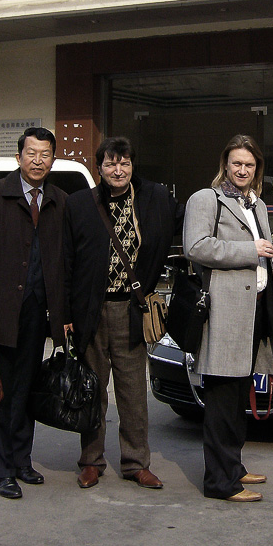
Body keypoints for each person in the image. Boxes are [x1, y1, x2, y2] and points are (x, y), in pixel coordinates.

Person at [64, 136, 181, 490]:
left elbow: (185, 221)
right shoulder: (80, 204)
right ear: (98, 167)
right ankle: (91, 460)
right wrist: (66, 313)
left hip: (131, 310)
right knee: (92, 390)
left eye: (125, 163)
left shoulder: (153, 197)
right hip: (91, 311)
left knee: (133, 393)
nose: (119, 170)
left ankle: (135, 463)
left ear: (133, 166)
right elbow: (65, 260)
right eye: (111, 163)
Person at [0, 126, 69, 499]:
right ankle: (3, 468)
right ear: (18, 157)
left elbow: (63, 262)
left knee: (26, 388)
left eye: (45, 154)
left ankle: (23, 460)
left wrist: (62, 312)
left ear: (53, 159)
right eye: (31, 154)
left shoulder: (59, 200)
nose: (38, 161)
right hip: (1, 310)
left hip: (39, 310)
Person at [183, 134, 273, 502]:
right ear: (225, 163)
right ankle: (220, 482)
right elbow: (195, 246)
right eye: (236, 163)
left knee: (240, 396)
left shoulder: (255, 204)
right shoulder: (206, 199)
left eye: (250, 165)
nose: (242, 170)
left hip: (255, 309)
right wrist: (249, 250)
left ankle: (234, 467)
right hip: (225, 313)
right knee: (222, 400)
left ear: (257, 169)